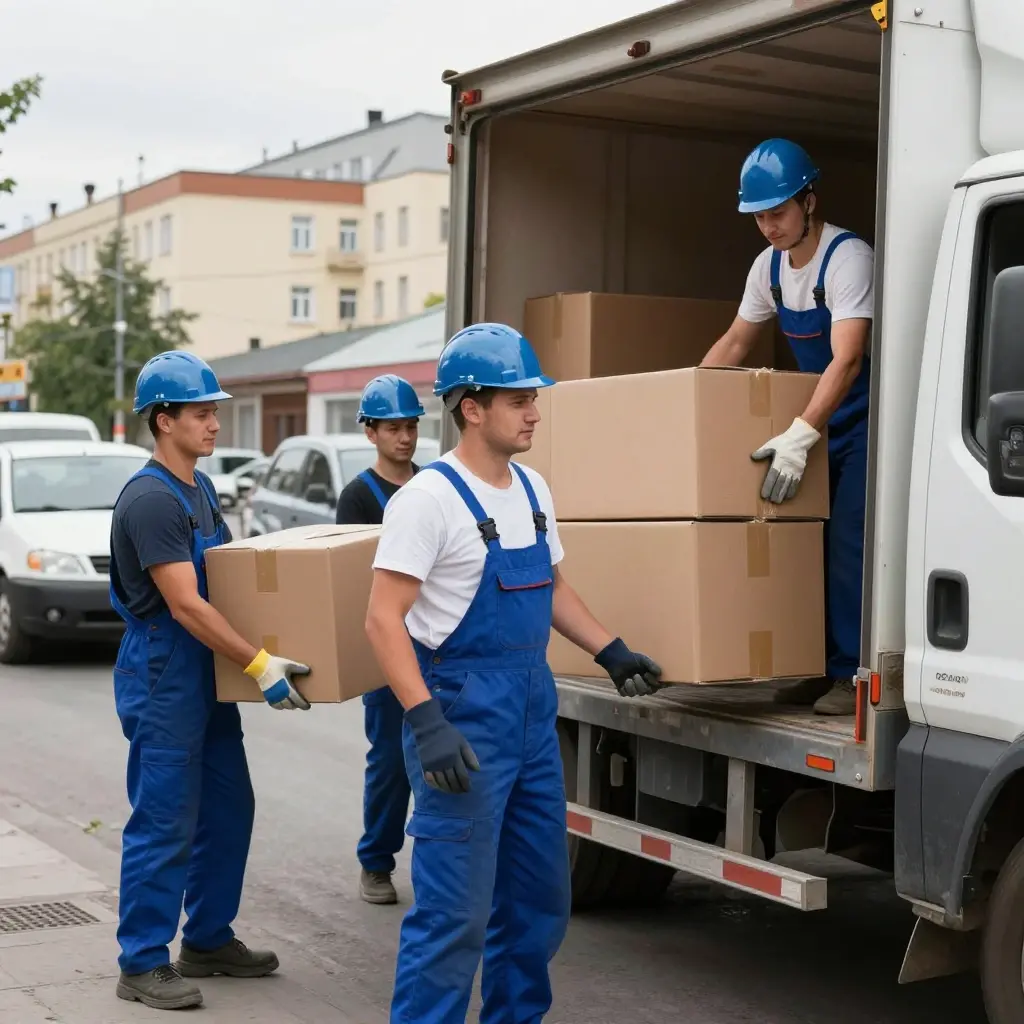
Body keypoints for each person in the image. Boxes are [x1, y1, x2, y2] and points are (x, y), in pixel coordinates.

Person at [365, 323, 664, 1023]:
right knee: (453, 918)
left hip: (532, 715)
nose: (534, 412)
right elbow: (383, 619)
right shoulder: (427, 501)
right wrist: (424, 720)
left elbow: (553, 587)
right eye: (519, 399)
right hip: (460, 721)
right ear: (471, 406)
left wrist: (609, 649)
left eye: (534, 399)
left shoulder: (531, 488)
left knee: (537, 906)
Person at [109, 350, 312, 1011]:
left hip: (205, 666)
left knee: (229, 806)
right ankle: (141, 961)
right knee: (166, 819)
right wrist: (259, 663)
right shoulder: (150, 500)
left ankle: (208, 939)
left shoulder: (197, 489)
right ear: (163, 420)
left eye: (214, 412)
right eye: (201, 413)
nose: (214, 423)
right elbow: (187, 603)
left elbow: (227, 575)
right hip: (165, 667)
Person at [700, 138, 874, 716]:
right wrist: (685, 396)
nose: (769, 227)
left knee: (847, 545)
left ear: (810, 201)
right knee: (805, 545)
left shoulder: (847, 259)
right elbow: (735, 342)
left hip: (865, 424)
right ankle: (815, 666)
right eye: (759, 217)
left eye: (778, 213)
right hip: (815, 425)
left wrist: (800, 436)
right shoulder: (767, 268)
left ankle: (851, 674)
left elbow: (846, 359)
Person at [336, 374, 425, 905]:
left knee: (441, 758)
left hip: (436, 643)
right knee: (392, 761)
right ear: (370, 432)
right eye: (394, 428)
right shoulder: (359, 496)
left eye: (412, 426)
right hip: (389, 645)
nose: (405, 437)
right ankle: (376, 862)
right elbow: (352, 577)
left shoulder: (434, 484)